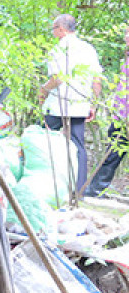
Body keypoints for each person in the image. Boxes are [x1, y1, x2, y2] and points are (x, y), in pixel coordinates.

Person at [39, 14, 102, 195]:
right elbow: (96, 80)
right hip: (80, 103)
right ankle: (79, 189)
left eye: (53, 29)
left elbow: (57, 79)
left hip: (58, 104)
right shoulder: (89, 49)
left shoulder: (58, 49)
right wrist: (93, 104)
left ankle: (46, 183)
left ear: (61, 29)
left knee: (43, 138)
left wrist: (43, 90)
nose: (53, 33)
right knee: (77, 144)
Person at [87, 27, 129, 197]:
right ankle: (95, 189)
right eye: (126, 33)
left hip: (125, 116)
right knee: (113, 152)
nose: (126, 37)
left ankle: (96, 188)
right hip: (121, 114)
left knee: (114, 152)